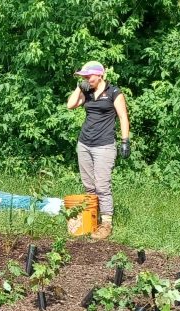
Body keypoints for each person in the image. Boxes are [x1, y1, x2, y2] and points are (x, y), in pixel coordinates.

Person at [66, 61, 130, 240]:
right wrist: (79, 88)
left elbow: (123, 117)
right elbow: (70, 105)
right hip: (85, 144)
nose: (86, 80)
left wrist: (125, 141)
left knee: (102, 185)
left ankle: (106, 223)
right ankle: (91, 220)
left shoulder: (114, 92)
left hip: (104, 145)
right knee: (89, 186)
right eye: (83, 78)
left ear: (99, 75)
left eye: (88, 77)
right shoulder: (86, 92)